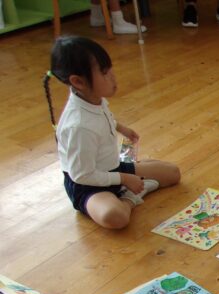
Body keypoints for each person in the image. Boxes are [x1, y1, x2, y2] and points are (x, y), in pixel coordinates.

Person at [43, 36, 180, 230]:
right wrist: (124, 178)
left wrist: (120, 127)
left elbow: (102, 117)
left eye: (110, 69)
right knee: (115, 217)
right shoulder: (78, 126)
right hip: (89, 185)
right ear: (78, 81)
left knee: (173, 173)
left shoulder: (93, 98)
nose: (113, 77)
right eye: (104, 73)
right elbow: (82, 176)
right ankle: (130, 198)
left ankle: (132, 182)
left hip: (113, 169)